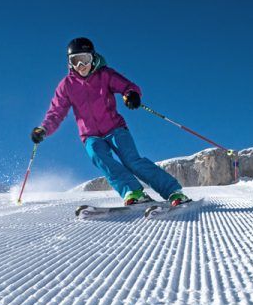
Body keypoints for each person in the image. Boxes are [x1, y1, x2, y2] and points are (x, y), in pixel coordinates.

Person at [31, 37, 190, 206]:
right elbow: (56, 112)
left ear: (93, 58)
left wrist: (131, 95)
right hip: (90, 135)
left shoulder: (105, 75)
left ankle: (173, 191)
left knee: (132, 161)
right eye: (75, 61)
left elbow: (126, 86)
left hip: (115, 128)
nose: (81, 66)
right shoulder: (66, 86)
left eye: (85, 59)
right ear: (70, 63)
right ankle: (133, 191)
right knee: (100, 158)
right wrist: (44, 129)